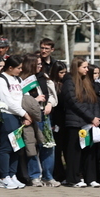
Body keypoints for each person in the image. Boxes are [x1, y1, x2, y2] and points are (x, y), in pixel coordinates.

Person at [60, 57, 100, 187]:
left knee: (89, 151)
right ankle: (74, 178)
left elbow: (94, 101)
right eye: (84, 67)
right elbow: (73, 102)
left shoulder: (87, 81)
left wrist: (96, 118)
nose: (87, 69)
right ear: (76, 68)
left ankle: (90, 178)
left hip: (89, 122)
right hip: (75, 122)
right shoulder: (69, 82)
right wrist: (90, 117)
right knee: (75, 151)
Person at [23, 52, 58, 187]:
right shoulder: (23, 80)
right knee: (32, 146)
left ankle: (48, 176)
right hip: (31, 116)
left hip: (45, 114)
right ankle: (34, 176)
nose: (40, 66)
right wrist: (35, 100)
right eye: (37, 64)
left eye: (40, 64)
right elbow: (20, 98)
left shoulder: (44, 77)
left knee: (48, 146)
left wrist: (50, 103)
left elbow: (53, 95)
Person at [0, 55, 29, 190]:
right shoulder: (0, 79)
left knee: (17, 147)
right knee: (6, 147)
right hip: (8, 115)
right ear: (10, 67)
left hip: (19, 116)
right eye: (18, 68)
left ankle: (12, 174)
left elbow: (23, 96)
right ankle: (4, 177)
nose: (20, 70)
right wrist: (23, 113)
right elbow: (7, 100)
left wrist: (26, 113)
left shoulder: (18, 79)